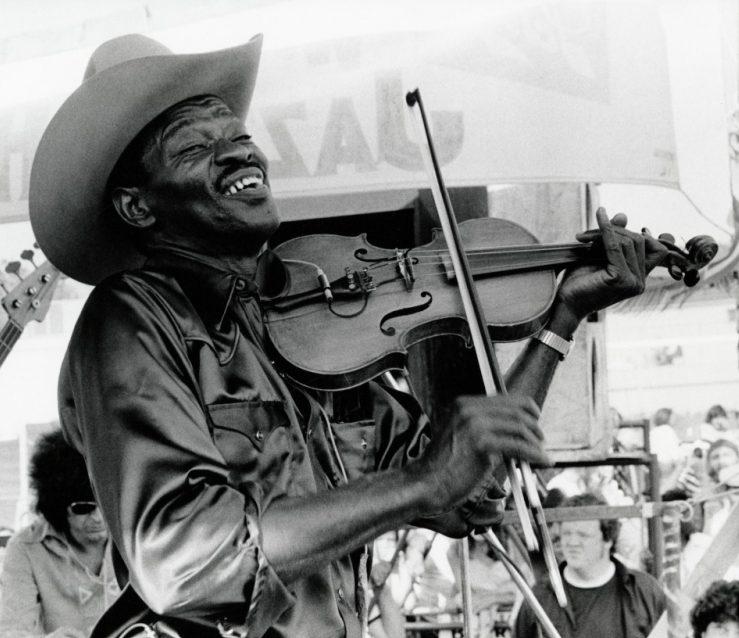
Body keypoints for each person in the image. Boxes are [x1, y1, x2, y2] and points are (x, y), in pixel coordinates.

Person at [28, 33, 669, 637]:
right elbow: (187, 558)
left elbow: (470, 494)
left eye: (239, 135)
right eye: (194, 149)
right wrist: (420, 482)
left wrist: (562, 317)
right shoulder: (134, 317)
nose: (240, 153)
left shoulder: (306, 329)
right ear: (139, 205)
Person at [0, 430, 120, 638]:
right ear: (56, 507)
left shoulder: (135, 537)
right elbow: (12, 631)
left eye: (105, 503)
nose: (99, 517)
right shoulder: (25, 548)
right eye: (83, 508)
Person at [513, 493, 665, 638]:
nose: (572, 543)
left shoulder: (644, 591)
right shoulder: (540, 597)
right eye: (566, 534)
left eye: (583, 535)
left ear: (608, 540)